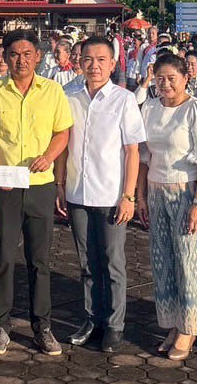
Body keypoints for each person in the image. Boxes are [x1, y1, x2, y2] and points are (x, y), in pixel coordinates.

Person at [0, 29, 74, 356]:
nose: (21, 60)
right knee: (3, 257)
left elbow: (63, 131)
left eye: (27, 54)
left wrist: (49, 156)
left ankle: (42, 325)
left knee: (39, 260)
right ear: (4, 57)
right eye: (14, 54)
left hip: (39, 186)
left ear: (38, 56)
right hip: (4, 187)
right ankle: (0, 325)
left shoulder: (52, 91)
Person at [58, 36, 146, 354]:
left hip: (111, 195)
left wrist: (129, 196)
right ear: (79, 62)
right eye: (88, 59)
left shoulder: (124, 99)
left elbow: (133, 151)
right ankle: (92, 319)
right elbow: (62, 144)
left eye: (101, 60)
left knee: (113, 262)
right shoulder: (68, 96)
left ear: (112, 64)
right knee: (86, 262)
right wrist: (59, 185)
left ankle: (115, 325)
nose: (94, 66)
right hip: (77, 192)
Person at [139, 54, 197, 361]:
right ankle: (175, 323)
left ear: (186, 78)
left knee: (191, 260)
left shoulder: (196, 109)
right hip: (156, 190)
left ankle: (191, 328)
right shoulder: (149, 108)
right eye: (160, 79)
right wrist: (140, 197)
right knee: (164, 260)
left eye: (171, 78)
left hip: (187, 192)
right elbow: (144, 157)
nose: (165, 85)